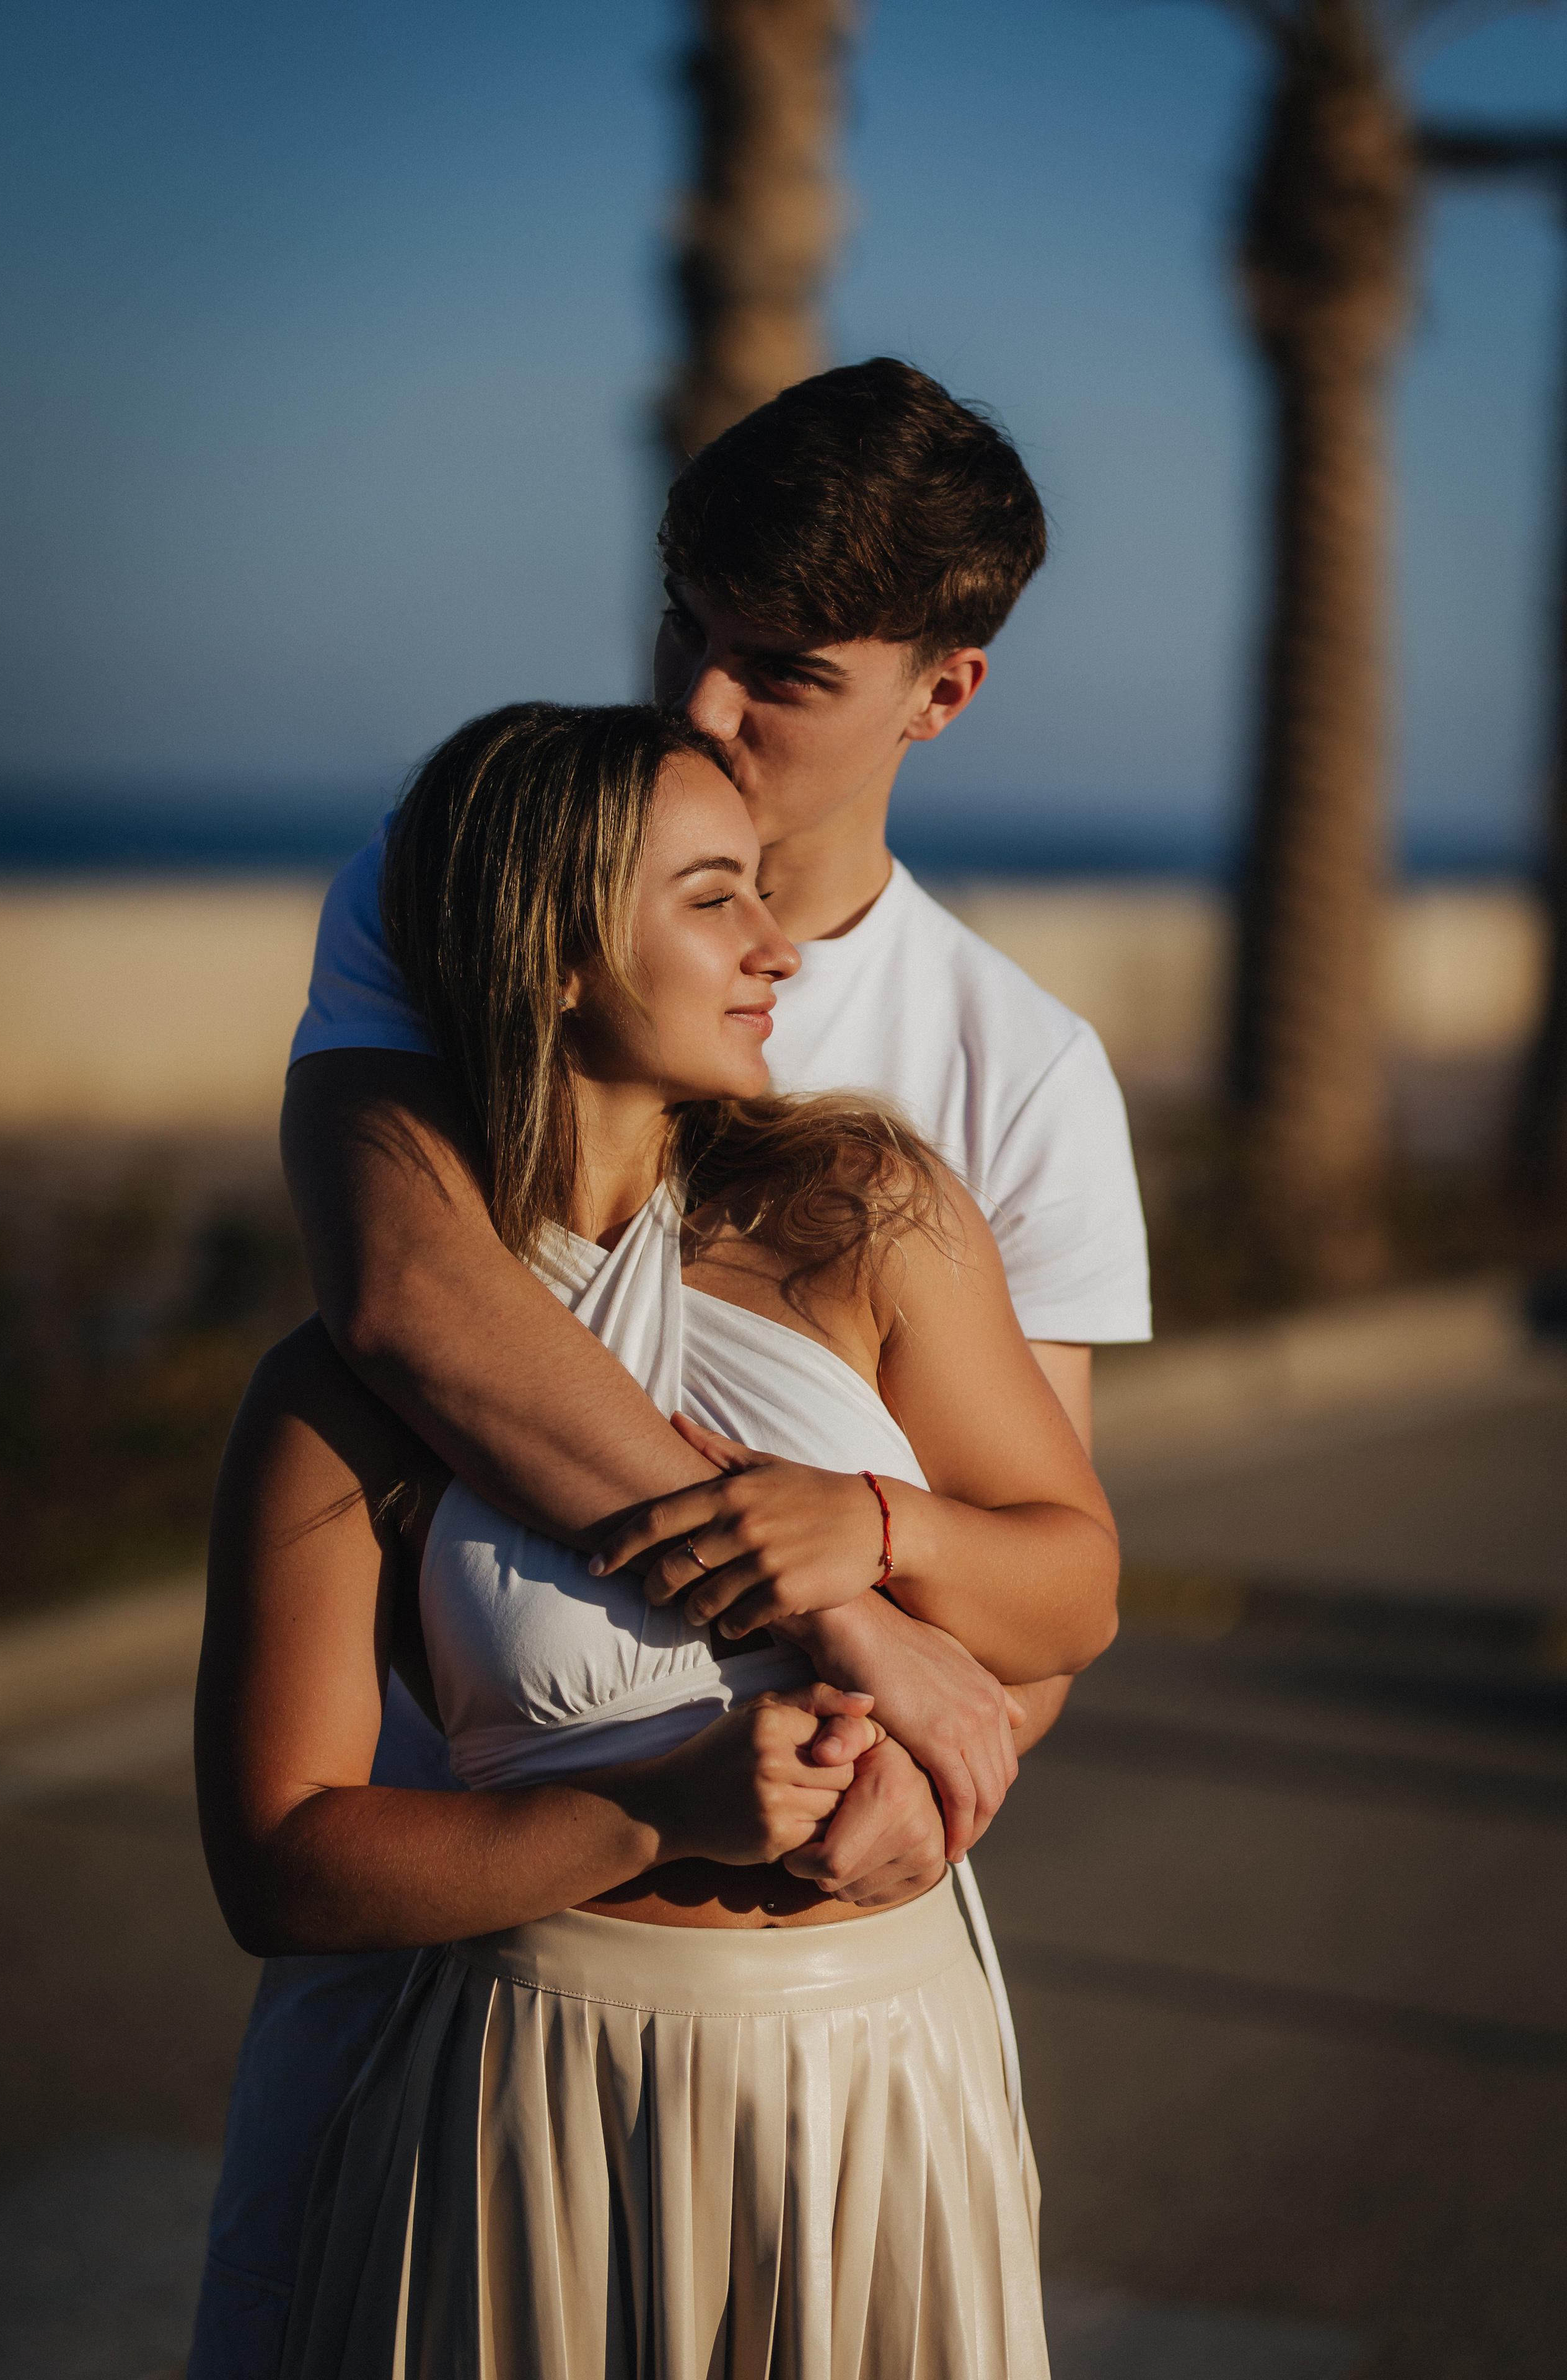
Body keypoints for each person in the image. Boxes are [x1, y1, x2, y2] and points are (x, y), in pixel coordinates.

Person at [188, 359, 1151, 2375]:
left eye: (778, 669)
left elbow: (1042, 1591)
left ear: (940, 690)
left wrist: (922, 1745)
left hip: (846, 2007)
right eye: (680, 627)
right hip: (472, 2002)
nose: (702, 700)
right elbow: (411, 1297)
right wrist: (828, 1634)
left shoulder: (1010, 1077)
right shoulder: (453, 890)